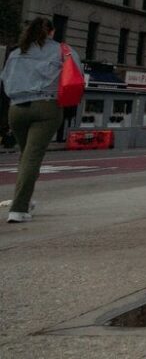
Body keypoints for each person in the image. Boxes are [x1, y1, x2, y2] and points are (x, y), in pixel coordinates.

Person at [0, 17, 82, 223]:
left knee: (26, 155)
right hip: (46, 106)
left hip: (16, 108)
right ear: (52, 32)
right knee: (32, 157)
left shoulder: (16, 53)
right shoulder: (63, 50)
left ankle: (24, 201)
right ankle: (18, 209)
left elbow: (4, 80)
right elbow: (77, 77)